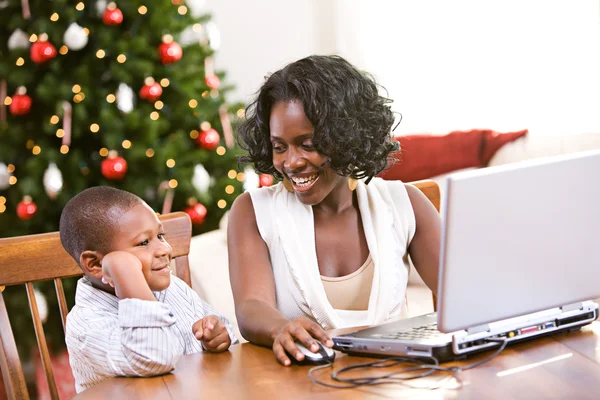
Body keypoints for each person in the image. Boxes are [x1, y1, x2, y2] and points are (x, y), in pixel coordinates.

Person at [228, 55, 441, 366]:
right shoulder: (253, 212)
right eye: (279, 146)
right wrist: (279, 329)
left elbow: (465, 298)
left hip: (396, 383)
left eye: (308, 143)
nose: (292, 162)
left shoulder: (405, 204)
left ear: (346, 137)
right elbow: (250, 306)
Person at [60, 186, 237, 393]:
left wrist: (218, 335)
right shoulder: (86, 325)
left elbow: (224, 330)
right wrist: (126, 273)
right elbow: (155, 357)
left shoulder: (173, 288)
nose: (165, 249)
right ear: (96, 264)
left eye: (160, 236)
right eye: (144, 242)